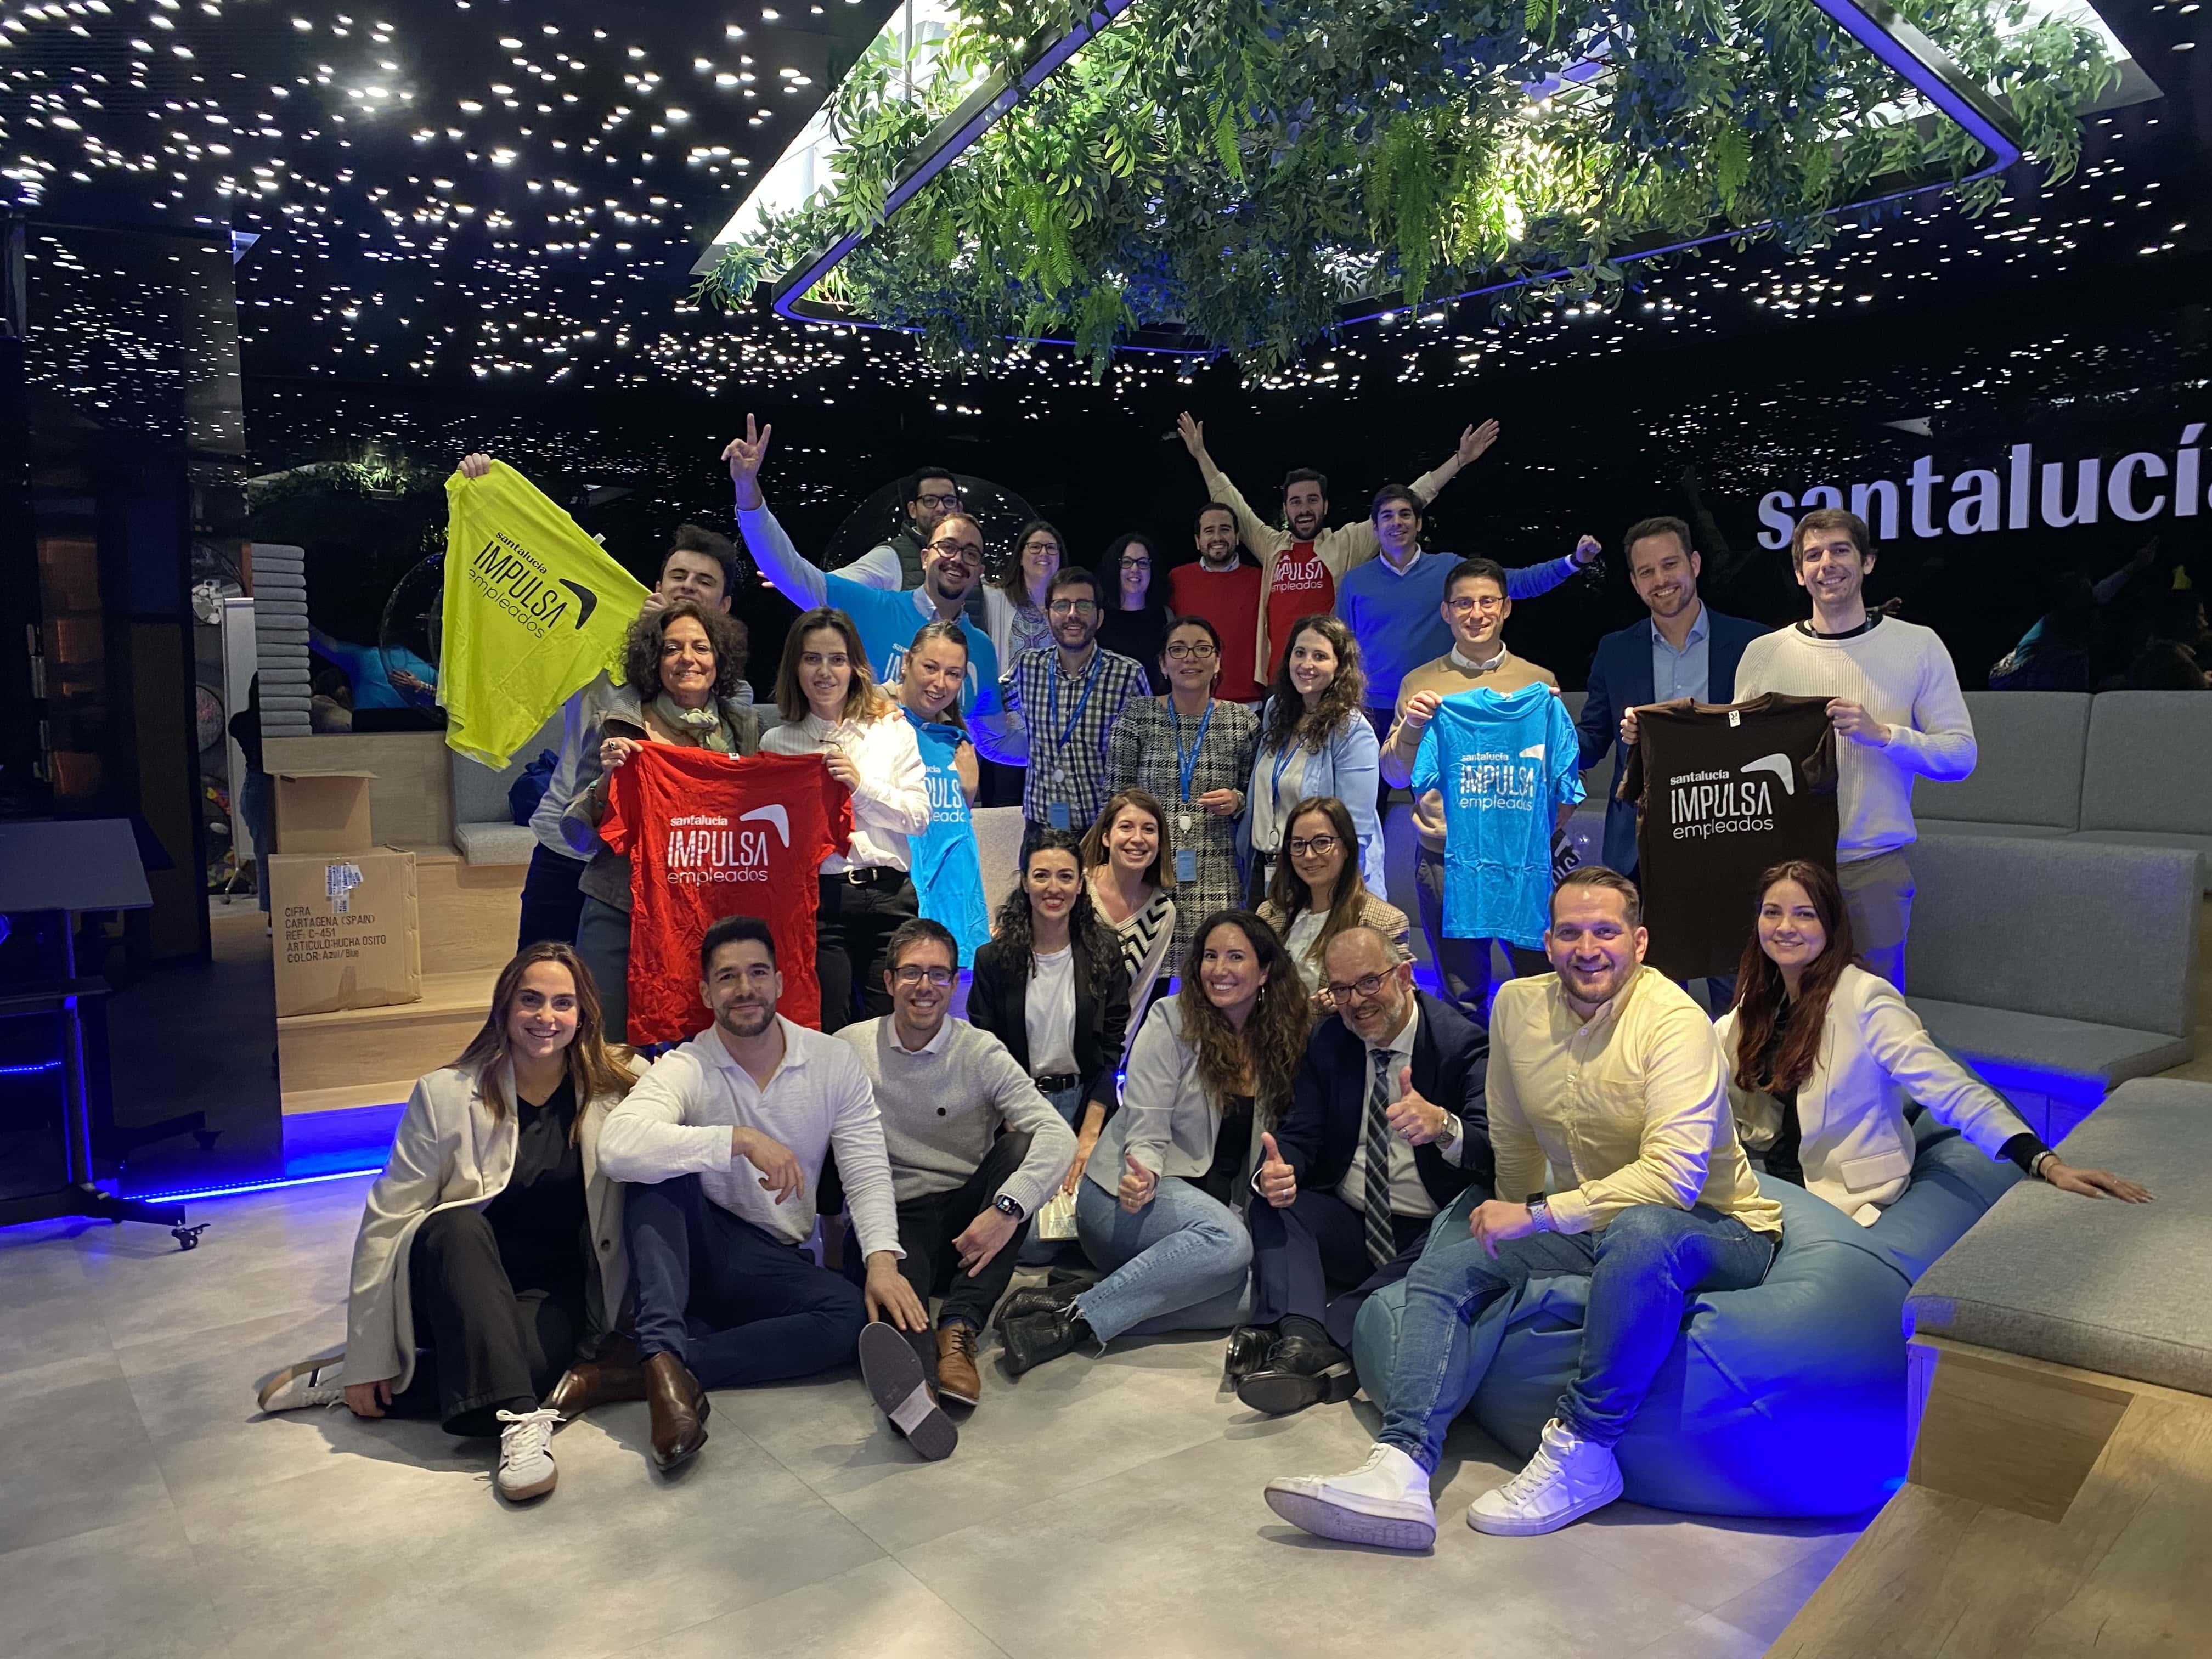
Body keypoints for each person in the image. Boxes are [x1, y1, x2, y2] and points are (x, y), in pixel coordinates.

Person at [1265, 868, 1784, 1544]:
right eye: (1570, 933)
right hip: (1587, 1220)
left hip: (1716, 1226)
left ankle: (1586, 1451)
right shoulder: (1516, 1006)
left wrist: (1537, 1216)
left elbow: (1674, 1180)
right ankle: (1401, 1464)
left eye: (1605, 932)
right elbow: (1512, 1141)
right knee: (1448, 1268)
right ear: (1548, 940)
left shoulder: (1677, 1023)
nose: (1587, 949)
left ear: (1639, 942)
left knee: (1641, 1230)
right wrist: (1510, 1227)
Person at [254, 944, 641, 1504]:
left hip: (548, 1293)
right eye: (530, 1000)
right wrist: (369, 1352)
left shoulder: (620, 1084)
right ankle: (521, 1426)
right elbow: (387, 1222)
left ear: (584, 1015)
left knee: (526, 1370)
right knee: (457, 1226)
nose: (546, 1017)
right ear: (505, 1007)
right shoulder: (446, 1095)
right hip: (450, 1278)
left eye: (563, 1003)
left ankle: (365, 1382)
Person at [597, 916, 945, 1470]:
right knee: (658, 1167)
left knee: (847, 1314)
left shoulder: (830, 1061)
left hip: (768, 1260)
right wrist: (737, 1140)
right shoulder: (688, 1065)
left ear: (780, 982)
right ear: (707, 993)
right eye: (728, 977)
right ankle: (660, 1353)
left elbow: (865, 1168)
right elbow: (616, 1147)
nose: (746, 989)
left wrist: (882, 1261)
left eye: (758, 973)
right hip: (693, 1249)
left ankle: (646, 1367)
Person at [1718, 861, 2151, 1220]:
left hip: (1842, 1193)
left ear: (1831, 926)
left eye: (1805, 914)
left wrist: (2044, 1162)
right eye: (1772, 912)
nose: (1785, 927)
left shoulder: (1865, 999)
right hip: (1772, 1176)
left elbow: (1950, 1088)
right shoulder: (1758, 1003)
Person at [458, 442, 752, 953]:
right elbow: (538, 571)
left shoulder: (731, 693)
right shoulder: (597, 643)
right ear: (657, 584)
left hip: (664, 866)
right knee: (542, 980)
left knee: (631, 993)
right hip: (569, 848)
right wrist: (487, 497)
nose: (688, 587)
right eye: (679, 576)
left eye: (704, 582)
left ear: (724, 605)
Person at [997, 910, 1310, 1374]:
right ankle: (1072, 1323)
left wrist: (1274, 1177)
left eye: (1235, 957)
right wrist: (1142, 1174)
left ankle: (1080, 1302)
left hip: (1206, 1213)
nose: (1219, 969)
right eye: (1210, 956)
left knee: (1253, 1296)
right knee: (1229, 1243)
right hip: (1125, 1199)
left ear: (1265, 971)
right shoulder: (1170, 1020)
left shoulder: (1279, 1038)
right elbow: (1147, 1123)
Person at [1233, 924, 1491, 1414]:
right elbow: (1302, 1133)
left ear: (1405, 977)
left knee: (1458, 1246)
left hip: (1429, 1228)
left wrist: (1443, 1127)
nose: (1355, 1002)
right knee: (1270, 1201)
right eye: (1341, 989)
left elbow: (1491, 1149)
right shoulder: (1330, 1040)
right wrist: (1278, 1171)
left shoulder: (1462, 1045)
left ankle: (1314, 1336)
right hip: (1353, 1220)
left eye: (1369, 982)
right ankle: (1307, 1341)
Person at [1723, 509, 1976, 991]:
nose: (1827, 564)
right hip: (1787, 872)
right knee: (1786, 1007)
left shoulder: (1917, 646)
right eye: (1813, 555)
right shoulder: (1764, 654)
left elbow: (1961, 756)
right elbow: (1735, 756)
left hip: (1872, 866)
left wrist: (1883, 735)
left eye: (1840, 550)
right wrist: (1653, 737)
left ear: (1868, 562)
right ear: (1799, 573)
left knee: (1877, 1011)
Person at [836, 918, 1079, 1409]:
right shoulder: (848, 1049)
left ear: (953, 984)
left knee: (1018, 1148)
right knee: (900, 1312)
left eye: (939, 974)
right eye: (911, 972)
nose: (924, 986)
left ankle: (959, 1329)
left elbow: (1058, 1135)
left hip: (967, 1218)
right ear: (889, 981)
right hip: (895, 1216)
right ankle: (916, 1387)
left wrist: (1007, 1210)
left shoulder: (979, 1050)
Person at [724, 418, 1010, 733]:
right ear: (925, 557)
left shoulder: (981, 648)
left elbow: (992, 738)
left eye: (970, 553)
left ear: (979, 572)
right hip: (860, 763)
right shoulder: (872, 608)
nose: (957, 559)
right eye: (948, 547)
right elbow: (793, 572)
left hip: (948, 767)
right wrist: (747, 489)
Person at [1174, 410, 1501, 684]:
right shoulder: (1271, 546)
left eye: (1312, 500)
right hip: (1279, 680)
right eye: (1296, 502)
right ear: (1285, 509)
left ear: (1325, 506)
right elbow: (1232, 502)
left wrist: (1459, 461)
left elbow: (1408, 500)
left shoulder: (1346, 543)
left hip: (1327, 678)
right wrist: (1200, 454)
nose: (1304, 509)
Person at [562, 601, 762, 1043]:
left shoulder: (746, 729)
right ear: (654, 660)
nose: (687, 658)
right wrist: (609, 780)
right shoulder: (618, 725)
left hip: (708, 918)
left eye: (701, 648)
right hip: (623, 909)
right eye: (672, 648)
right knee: (609, 1049)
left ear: (719, 659)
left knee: (706, 1055)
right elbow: (577, 835)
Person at [1380, 557, 1563, 1020]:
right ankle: (1468, 1067)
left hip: (1520, 860)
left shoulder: (1539, 684)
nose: (1476, 613)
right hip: (1447, 859)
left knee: (1540, 988)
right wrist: (1413, 726)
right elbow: (1395, 776)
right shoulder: (1420, 684)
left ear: (1506, 607)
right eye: (1463, 604)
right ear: (1446, 612)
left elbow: (1560, 782)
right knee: (1462, 994)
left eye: (1487, 602)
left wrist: (1540, 836)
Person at [758, 608, 932, 1031]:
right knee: (828, 1031)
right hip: (820, 904)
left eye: (837, 659)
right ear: (795, 666)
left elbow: (918, 817)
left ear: (855, 667)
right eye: (811, 659)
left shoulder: (890, 729)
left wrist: (860, 787)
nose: (825, 672)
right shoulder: (776, 743)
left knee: (890, 1031)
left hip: (890, 897)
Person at [1336, 485, 1591, 769]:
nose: (1397, 522)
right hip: (1372, 710)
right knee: (1370, 793)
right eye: (1387, 516)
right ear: (1375, 527)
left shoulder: (1450, 570)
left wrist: (1573, 562)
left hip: (1439, 704)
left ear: (1419, 523)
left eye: (1405, 514)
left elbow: (1516, 583)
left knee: (1447, 790)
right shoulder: (1354, 582)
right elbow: (1342, 651)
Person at [1576, 515, 1767, 880]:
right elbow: (1593, 739)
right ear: (1635, 583)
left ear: (1694, 564)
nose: (1660, 580)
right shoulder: (1615, 652)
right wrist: (1540, 737)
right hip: (1639, 848)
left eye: (1670, 564)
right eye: (1646, 572)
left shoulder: (1754, 644)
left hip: (1732, 834)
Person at [969, 832, 1132, 1248]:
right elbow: (985, 1054)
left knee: (1097, 1234)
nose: (1053, 888)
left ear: (1080, 885)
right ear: (1025, 882)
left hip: (1086, 1103)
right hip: (1020, 1108)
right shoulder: (993, 960)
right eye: (1041, 875)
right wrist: (1017, 1126)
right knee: (1031, 1247)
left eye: (1065, 876)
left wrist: (1089, 1136)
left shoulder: (1104, 951)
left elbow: (1111, 1048)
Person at [1107, 616, 1260, 974]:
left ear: (1218, 661)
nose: (1190, 658)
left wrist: (1237, 800)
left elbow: (1256, 796)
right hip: (1148, 871)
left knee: (1214, 975)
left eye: (1202, 649)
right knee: (1145, 978)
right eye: (1178, 650)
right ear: (1163, 663)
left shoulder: (1242, 722)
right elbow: (1115, 799)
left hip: (1218, 872)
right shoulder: (1138, 716)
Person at [991, 566, 1151, 856]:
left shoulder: (1128, 675)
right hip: (1040, 827)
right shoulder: (1028, 667)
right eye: (1062, 605)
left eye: (1084, 605)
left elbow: (1148, 755)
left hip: (1102, 830)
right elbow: (988, 703)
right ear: (1048, 614)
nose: (1072, 614)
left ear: (1099, 617)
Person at [1243, 615, 1385, 901]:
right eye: (1300, 653)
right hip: (1266, 869)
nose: (1306, 665)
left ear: (1339, 666)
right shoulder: (1276, 710)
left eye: (1320, 656)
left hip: (1321, 876)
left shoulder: (1352, 730)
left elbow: (1355, 830)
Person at [893, 621, 991, 960]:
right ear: (907, 662)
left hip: (955, 899)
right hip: (902, 894)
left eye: (954, 674)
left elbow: (954, 821)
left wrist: (969, 791)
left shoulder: (957, 742)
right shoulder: (880, 725)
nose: (940, 683)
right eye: (930, 668)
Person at [1255, 795, 1411, 999]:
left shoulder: (1385, 921)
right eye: (1298, 844)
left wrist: (1348, 1002)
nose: (1309, 855)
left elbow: (1404, 997)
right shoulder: (1268, 913)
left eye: (1322, 842)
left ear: (1347, 848)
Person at [1080, 787, 1180, 1045]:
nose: (1138, 838)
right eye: (1126, 827)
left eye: (1149, 829)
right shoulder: (1076, 889)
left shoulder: (1162, 912)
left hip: (1105, 1051)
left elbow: (1137, 997)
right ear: (1106, 837)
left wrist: (1115, 1058)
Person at [1167, 504, 1267, 703]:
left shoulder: (1261, 580)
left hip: (1250, 702)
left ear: (1237, 537)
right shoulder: (1177, 580)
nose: (1217, 537)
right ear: (1198, 541)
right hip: (1191, 701)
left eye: (1225, 529)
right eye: (1209, 531)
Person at [837, 462, 969, 596]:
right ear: (913, 510)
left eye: (949, 501)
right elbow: (833, 588)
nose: (941, 508)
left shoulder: (972, 557)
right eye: (930, 501)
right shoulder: (891, 557)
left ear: (959, 509)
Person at [985, 518, 1065, 667]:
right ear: (1020, 558)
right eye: (1035, 547)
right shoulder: (995, 598)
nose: (1044, 553)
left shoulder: (1068, 608)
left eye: (1051, 548)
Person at [1094, 532, 1171, 681]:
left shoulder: (1166, 617)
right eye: (1127, 562)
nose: (1135, 569)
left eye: (1143, 563)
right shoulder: (1098, 617)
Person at [229, 673, 274, 919]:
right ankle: (274, 912)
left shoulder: (241, 722)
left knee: (264, 852)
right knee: (271, 852)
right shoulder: (274, 725)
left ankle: (271, 913)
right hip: (267, 781)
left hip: (256, 783)